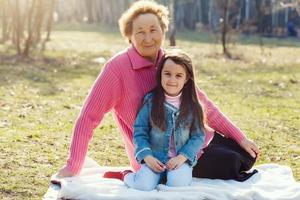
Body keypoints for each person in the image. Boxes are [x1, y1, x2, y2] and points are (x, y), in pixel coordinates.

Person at [51, 0, 260, 183]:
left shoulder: (169, 61)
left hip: (190, 141)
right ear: (129, 36)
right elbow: (88, 117)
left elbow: (203, 105)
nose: (148, 37)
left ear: (163, 30)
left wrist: (240, 137)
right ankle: (129, 175)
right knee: (232, 163)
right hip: (156, 156)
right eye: (140, 32)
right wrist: (73, 166)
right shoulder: (117, 69)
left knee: (246, 156)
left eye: (153, 29)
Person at [122, 49, 205, 191]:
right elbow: (140, 131)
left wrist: (182, 157)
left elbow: (198, 136)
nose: (172, 80)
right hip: (154, 158)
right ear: (160, 74)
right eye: (167, 74)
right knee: (143, 186)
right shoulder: (150, 101)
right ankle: (127, 176)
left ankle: (168, 177)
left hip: (179, 160)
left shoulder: (193, 106)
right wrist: (147, 156)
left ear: (186, 79)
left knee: (178, 185)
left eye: (178, 76)